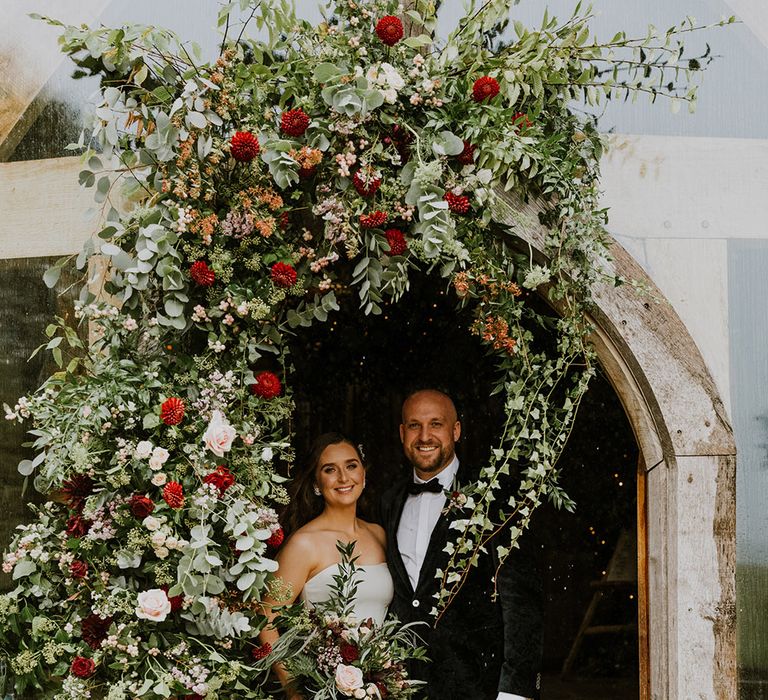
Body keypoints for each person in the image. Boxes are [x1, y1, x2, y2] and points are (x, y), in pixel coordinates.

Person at [380, 389, 543, 700]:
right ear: (402, 433)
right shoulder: (389, 501)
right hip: (402, 687)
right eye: (414, 425)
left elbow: (521, 601)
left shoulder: (495, 497)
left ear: (456, 430)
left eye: (436, 424)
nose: (424, 436)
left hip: (476, 686)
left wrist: (514, 691)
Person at [259, 432, 394, 699]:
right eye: (330, 470)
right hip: (323, 691)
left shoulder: (379, 534)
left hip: (379, 689)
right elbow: (266, 619)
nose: (344, 478)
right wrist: (294, 689)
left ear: (363, 475)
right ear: (316, 483)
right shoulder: (304, 544)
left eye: (351, 466)